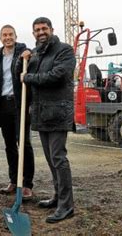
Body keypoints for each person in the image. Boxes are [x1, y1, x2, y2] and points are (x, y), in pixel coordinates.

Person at [19, 17, 76, 223]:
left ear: (51, 29)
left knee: (59, 158)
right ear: (33, 33)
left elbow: (57, 76)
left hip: (59, 111)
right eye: (37, 30)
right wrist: (21, 59)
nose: (40, 32)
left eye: (44, 28)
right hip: (42, 113)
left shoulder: (64, 50)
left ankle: (67, 206)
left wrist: (29, 78)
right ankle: (58, 197)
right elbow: (22, 74)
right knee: (52, 160)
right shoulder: (36, 54)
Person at [0, 24, 35, 199]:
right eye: (4, 35)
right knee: (9, 145)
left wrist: (30, 54)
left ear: (16, 36)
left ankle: (27, 183)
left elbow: (32, 72)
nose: (8, 38)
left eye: (10, 34)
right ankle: (14, 180)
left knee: (24, 143)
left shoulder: (24, 53)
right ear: (0, 38)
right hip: (3, 104)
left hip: (19, 103)